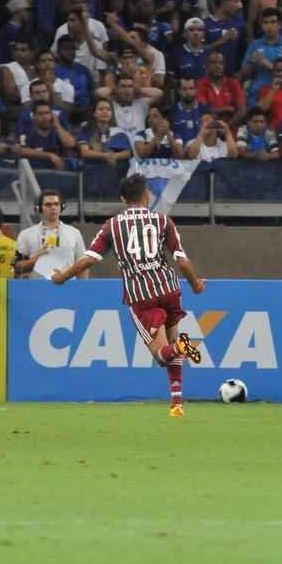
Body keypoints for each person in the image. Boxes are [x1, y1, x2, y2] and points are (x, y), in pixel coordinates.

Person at [51, 174, 206, 419]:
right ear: (146, 194)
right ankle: (177, 403)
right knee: (172, 353)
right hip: (168, 289)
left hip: (141, 295)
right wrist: (196, 285)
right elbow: (183, 262)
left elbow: (89, 259)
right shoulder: (163, 221)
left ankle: (180, 352)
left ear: (123, 198)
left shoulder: (112, 225)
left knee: (162, 354)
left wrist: (63, 276)